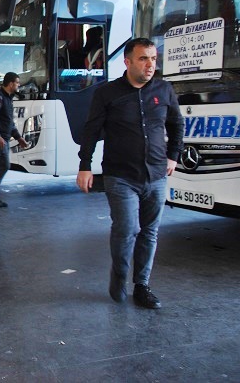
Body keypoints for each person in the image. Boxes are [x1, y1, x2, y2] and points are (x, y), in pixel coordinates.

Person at [77, 38, 184, 310]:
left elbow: (177, 124)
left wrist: (173, 155)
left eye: (153, 59)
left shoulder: (164, 90)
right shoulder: (107, 93)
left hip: (157, 175)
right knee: (126, 230)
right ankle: (120, 276)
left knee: (149, 232)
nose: (150, 65)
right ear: (127, 62)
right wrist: (85, 166)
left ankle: (142, 285)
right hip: (120, 176)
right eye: (143, 59)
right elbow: (90, 131)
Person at [0, 72, 29, 208]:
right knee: (4, 165)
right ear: (11, 83)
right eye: (17, 83)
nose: (19, 85)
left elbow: (9, 122)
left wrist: (19, 138)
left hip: (4, 139)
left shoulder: (8, 98)